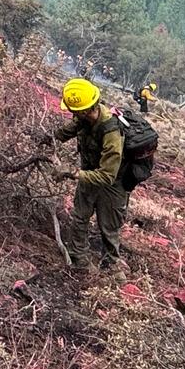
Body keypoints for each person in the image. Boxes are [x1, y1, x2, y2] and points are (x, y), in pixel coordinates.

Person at [53, 78, 128, 266]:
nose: (71, 114)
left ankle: (112, 266)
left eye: (73, 111)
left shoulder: (111, 131)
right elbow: (64, 132)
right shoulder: (84, 118)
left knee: (109, 226)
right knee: (80, 216)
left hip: (113, 182)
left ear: (85, 109)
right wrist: (46, 139)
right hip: (89, 173)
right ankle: (79, 257)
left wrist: (73, 172)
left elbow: (107, 175)